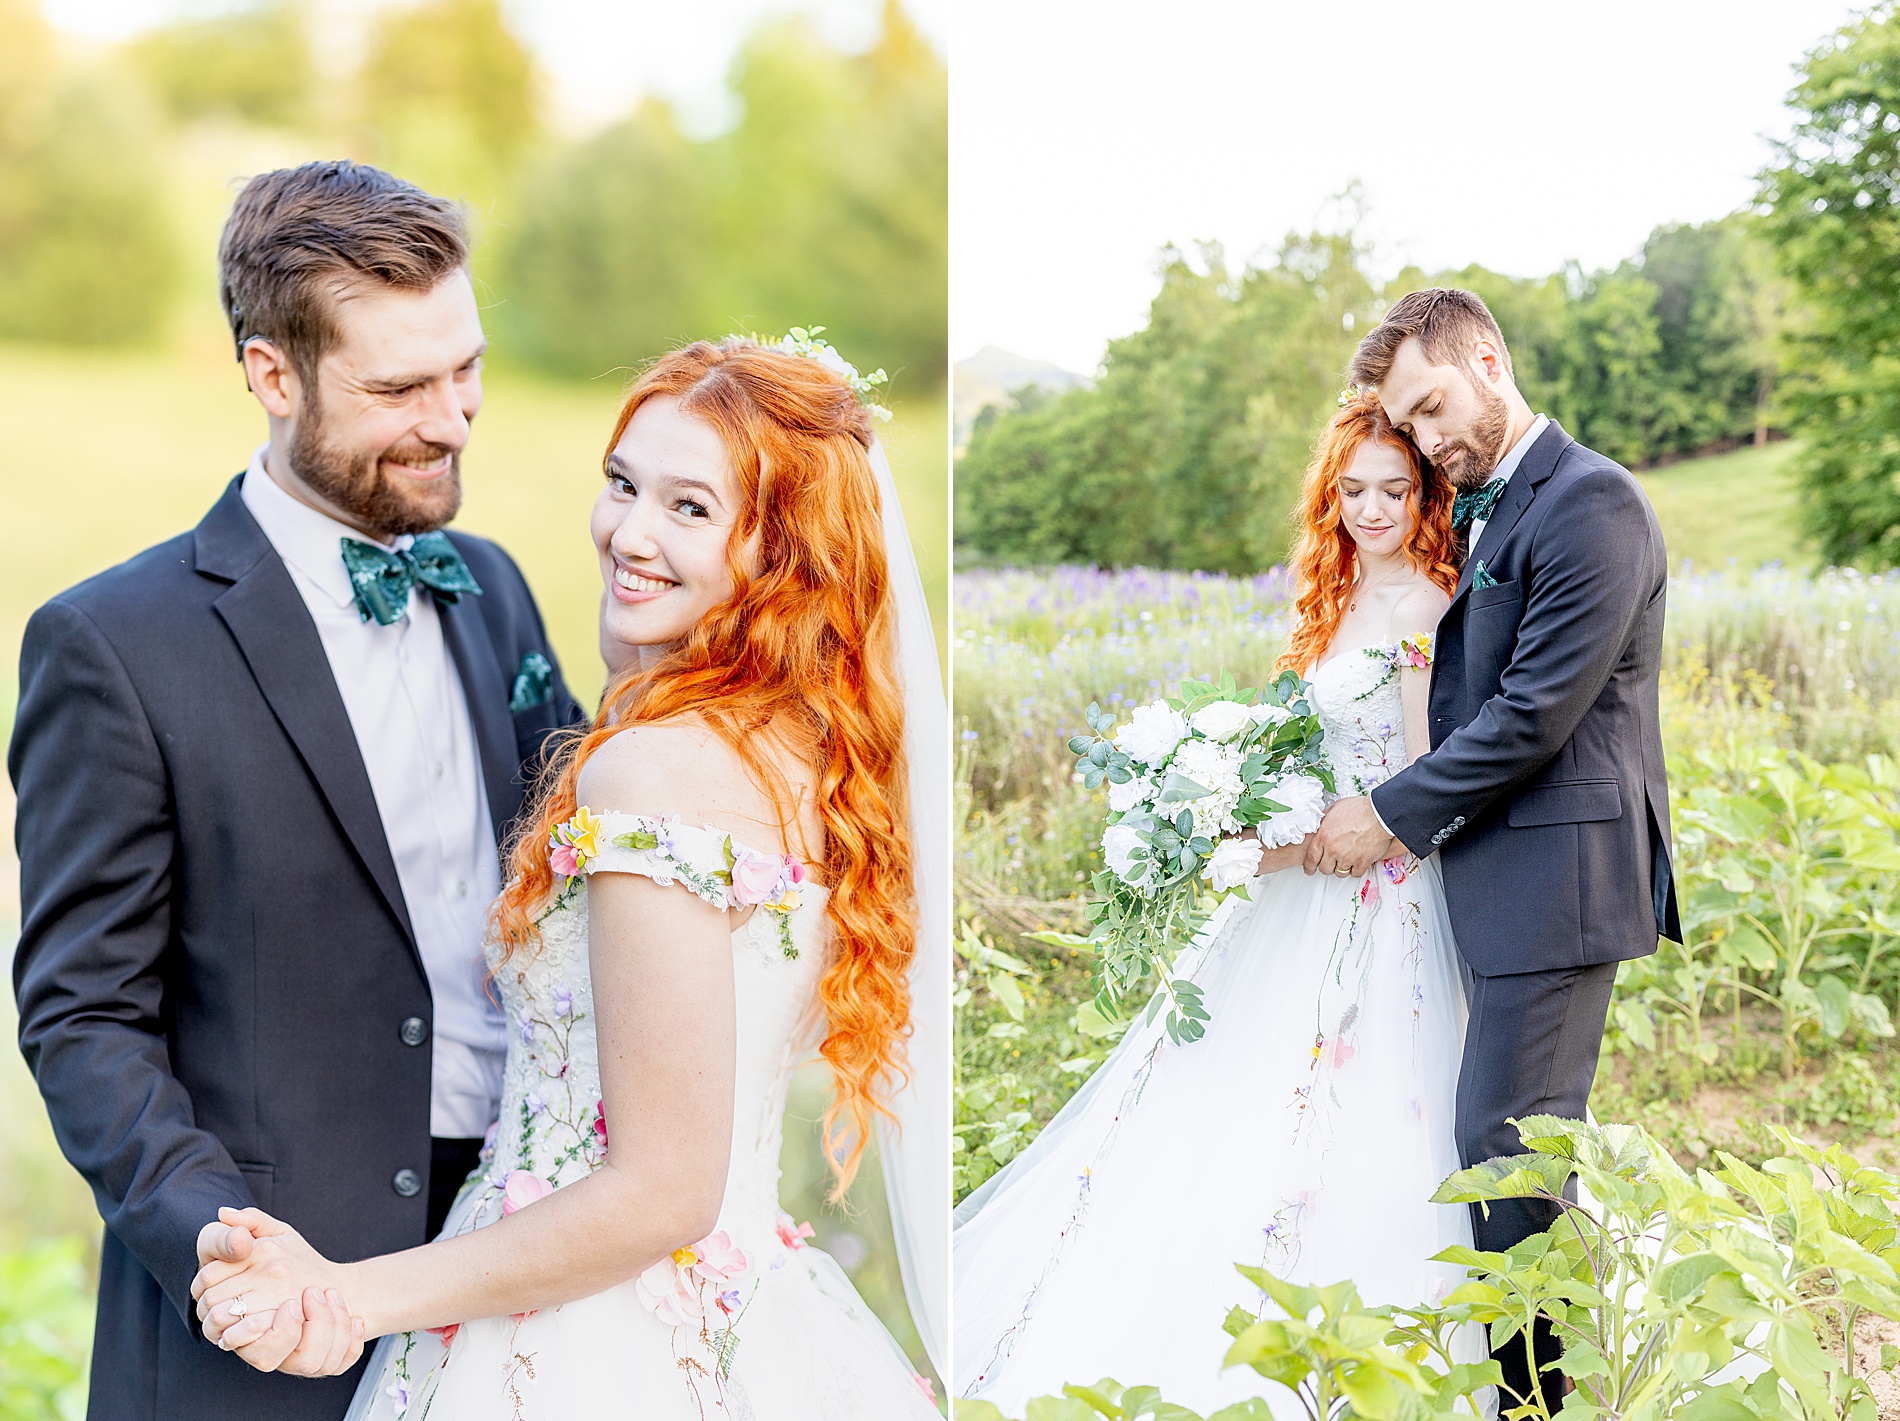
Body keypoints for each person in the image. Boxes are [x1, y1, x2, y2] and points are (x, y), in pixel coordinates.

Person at [188, 336, 951, 1420]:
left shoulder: (658, 771)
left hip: (588, 1340)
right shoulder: (809, 758)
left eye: (692, 508)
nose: (629, 533)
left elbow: (660, 1189)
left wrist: (350, 1296)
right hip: (739, 1307)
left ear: (784, 550)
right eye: (624, 483)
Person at [8, 160, 583, 1418]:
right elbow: (81, 1011)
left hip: (519, 1258)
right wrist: (220, 1239)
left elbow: (582, 861)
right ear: (273, 376)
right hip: (272, 1293)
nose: (452, 417)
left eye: (466, 367)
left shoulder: (493, 587)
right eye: (399, 387)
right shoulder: (113, 645)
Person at [954, 393, 1482, 1414]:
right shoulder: (1333, 602)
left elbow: (1417, 784)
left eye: (1394, 489)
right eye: (1353, 488)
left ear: (1425, 497)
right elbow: (1305, 755)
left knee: (1357, 1109)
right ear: (1331, 494)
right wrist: (1227, 812)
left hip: (1376, 894)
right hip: (1301, 876)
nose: (1371, 508)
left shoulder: (1423, 604)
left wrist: (1294, 838)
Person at [1306, 288, 1681, 1413]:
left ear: (1486, 357)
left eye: (1430, 409)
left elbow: (1533, 713)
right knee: (1505, 1139)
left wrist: (1385, 811)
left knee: (1505, 1146)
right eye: (1407, 423)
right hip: (1498, 873)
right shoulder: (1490, 503)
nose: (1424, 441)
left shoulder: (1592, 502)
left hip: (1559, 879)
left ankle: (1540, 1400)